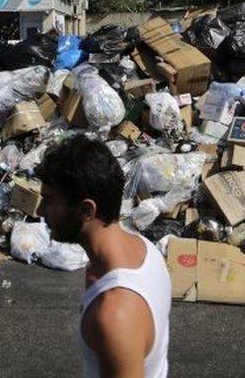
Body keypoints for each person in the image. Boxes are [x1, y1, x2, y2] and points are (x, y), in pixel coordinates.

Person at [37, 136, 170, 378]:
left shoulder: (114, 315)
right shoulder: (144, 249)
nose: (39, 211)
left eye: (48, 201)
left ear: (87, 210)